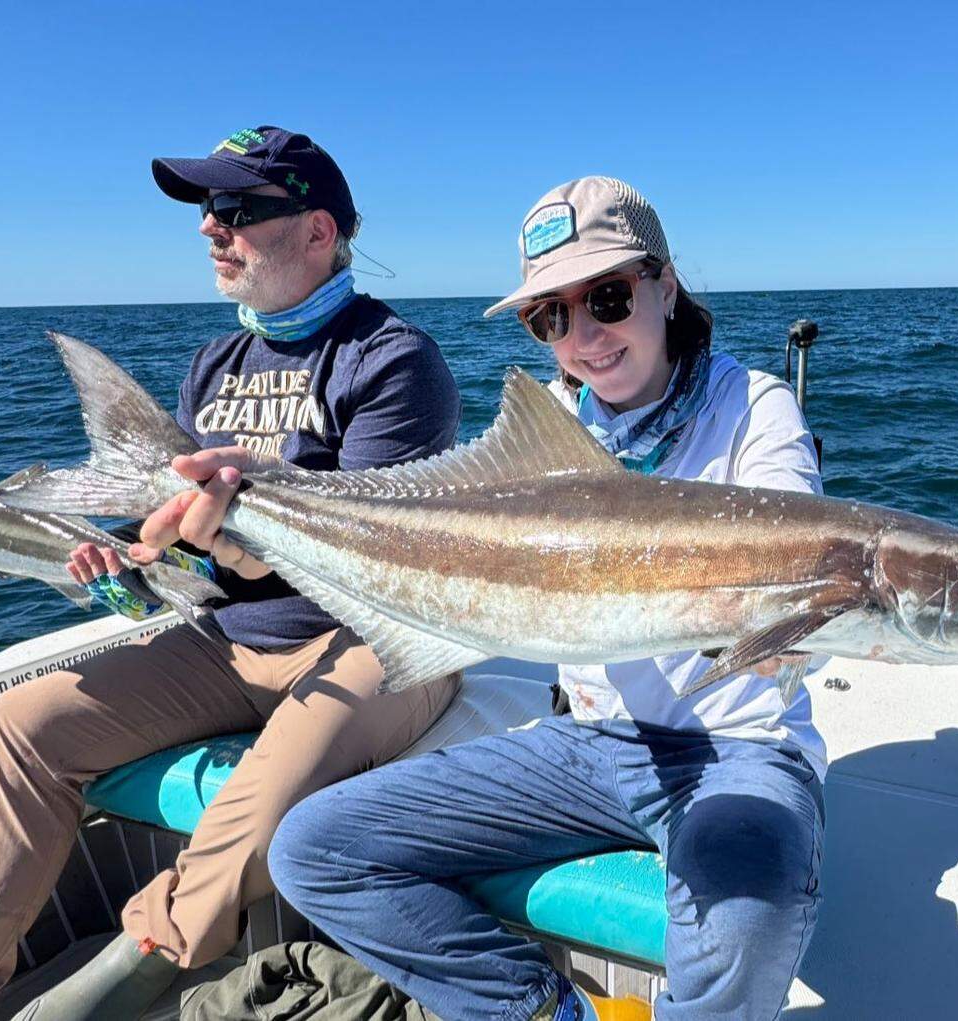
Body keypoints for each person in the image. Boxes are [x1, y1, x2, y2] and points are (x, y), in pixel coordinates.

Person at [267, 177, 828, 1021]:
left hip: (735, 746)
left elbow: (804, 548)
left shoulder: (753, 408)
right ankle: (545, 1011)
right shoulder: (548, 435)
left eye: (606, 297)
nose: (585, 336)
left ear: (664, 285)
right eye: (551, 316)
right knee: (313, 846)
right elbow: (427, 529)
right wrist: (253, 504)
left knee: (745, 922)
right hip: (590, 743)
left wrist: (789, 617)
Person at [0, 125, 462, 1021]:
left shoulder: (393, 359)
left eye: (236, 209)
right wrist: (127, 561)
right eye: (207, 210)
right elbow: (185, 544)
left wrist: (244, 535)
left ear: (319, 231)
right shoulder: (212, 363)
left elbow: (385, 566)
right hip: (228, 638)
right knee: (16, 726)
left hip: (373, 643)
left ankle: (126, 979)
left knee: (269, 787)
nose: (210, 228)